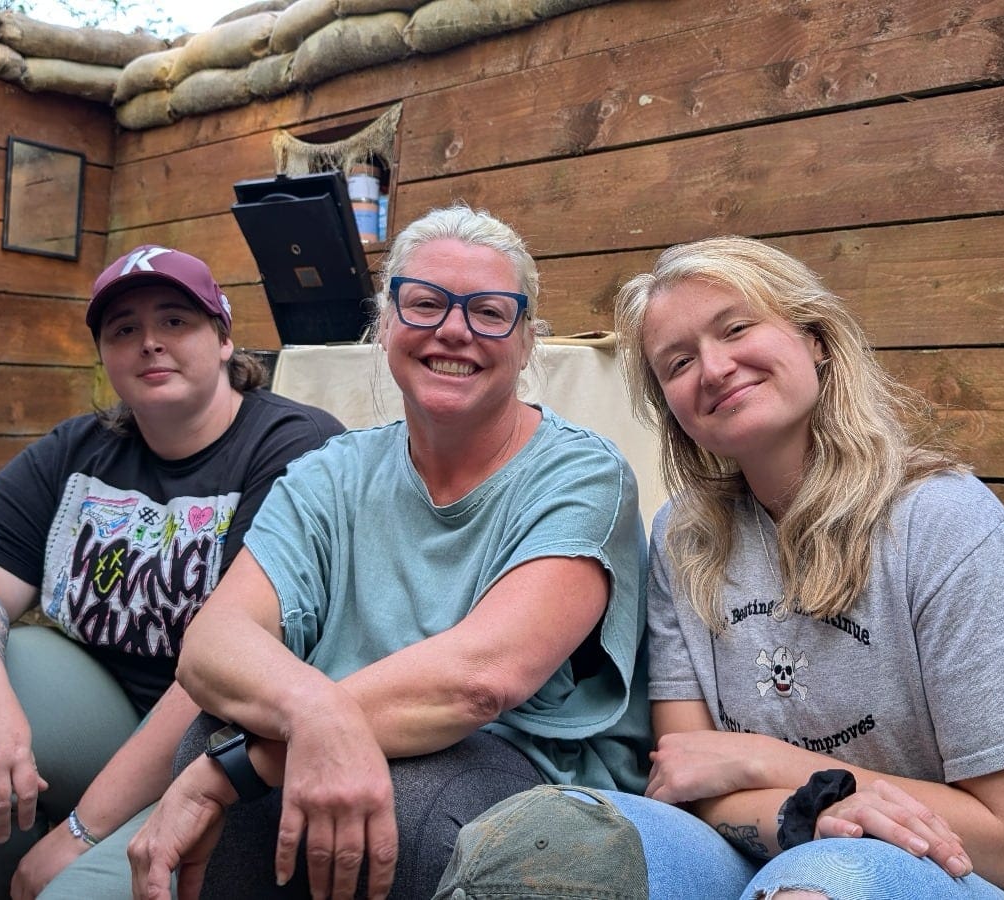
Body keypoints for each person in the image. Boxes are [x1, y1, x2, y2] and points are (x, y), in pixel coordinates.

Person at [440, 236, 1004, 899]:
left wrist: (774, 765)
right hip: (764, 849)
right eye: (677, 363)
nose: (712, 368)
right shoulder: (685, 537)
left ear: (815, 339)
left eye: (736, 328)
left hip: (963, 872)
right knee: (544, 843)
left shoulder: (942, 522)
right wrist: (816, 814)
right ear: (673, 412)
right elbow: (686, 781)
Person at [127, 204, 652, 900]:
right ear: (385, 324)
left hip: (512, 773)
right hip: (339, 746)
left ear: (527, 341)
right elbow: (213, 644)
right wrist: (315, 717)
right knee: (207, 741)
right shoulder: (331, 472)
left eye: (490, 312)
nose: (454, 330)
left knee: (394, 809)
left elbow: (482, 681)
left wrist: (241, 767)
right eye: (425, 303)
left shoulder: (582, 477)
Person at [0, 245, 345, 899]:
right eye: (124, 329)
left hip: (229, 739)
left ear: (224, 339)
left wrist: (81, 832)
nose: (150, 343)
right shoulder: (79, 450)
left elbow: (229, 666)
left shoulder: (295, 446)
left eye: (176, 321)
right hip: (106, 717)